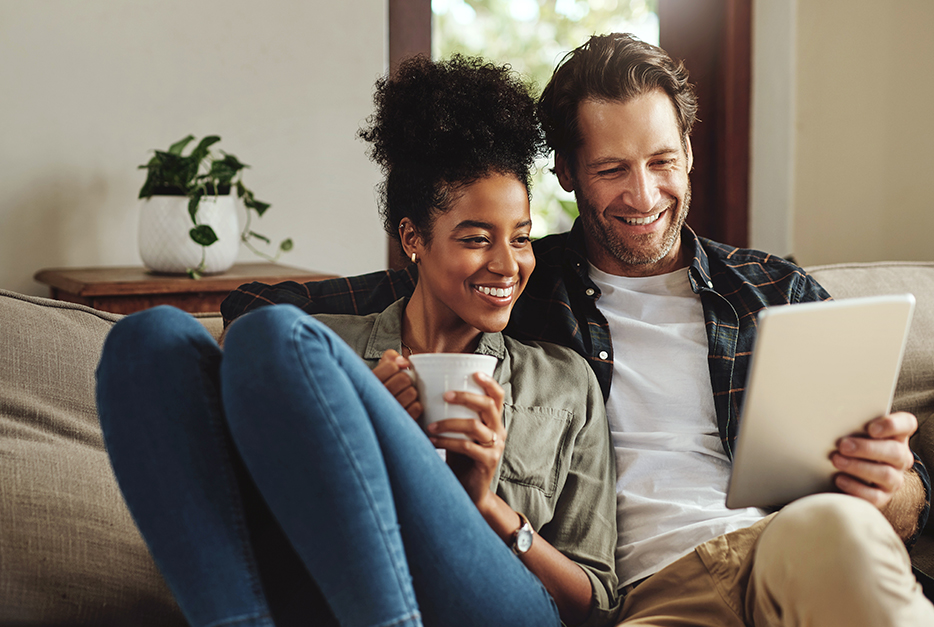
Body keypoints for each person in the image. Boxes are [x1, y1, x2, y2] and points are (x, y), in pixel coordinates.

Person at [221, 34, 934, 625]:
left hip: (793, 548)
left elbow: (909, 506)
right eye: (612, 169)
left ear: (689, 149)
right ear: (565, 172)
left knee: (844, 530)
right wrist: (361, 384)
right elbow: (264, 315)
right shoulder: (517, 281)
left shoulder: (775, 291)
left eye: (660, 161)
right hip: (654, 594)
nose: (644, 194)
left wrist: (891, 484)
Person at [96, 55, 620, 627]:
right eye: (475, 239)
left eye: (520, 239)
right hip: (326, 591)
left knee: (273, 334)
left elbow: (594, 604)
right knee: (147, 339)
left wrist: (486, 506)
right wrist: (357, 425)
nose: (506, 264)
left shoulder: (566, 382)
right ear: (413, 238)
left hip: (497, 604)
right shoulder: (321, 357)